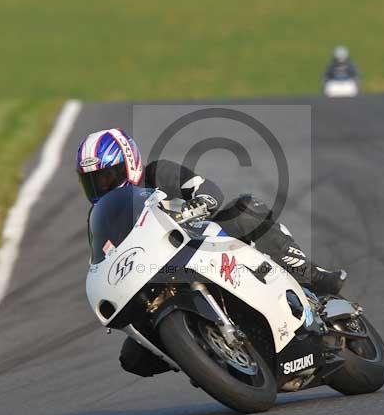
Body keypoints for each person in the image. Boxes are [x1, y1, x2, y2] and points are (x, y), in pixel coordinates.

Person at [76, 128, 347, 376]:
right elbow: (104, 256)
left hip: (201, 242)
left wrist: (200, 202)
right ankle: (203, 354)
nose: (102, 186)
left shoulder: (157, 174)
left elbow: (204, 188)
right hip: (158, 271)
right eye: (93, 182)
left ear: (129, 162)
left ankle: (310, 275)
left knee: (247, 209)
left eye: (107, 176)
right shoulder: (101, 216)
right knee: (132, 359)